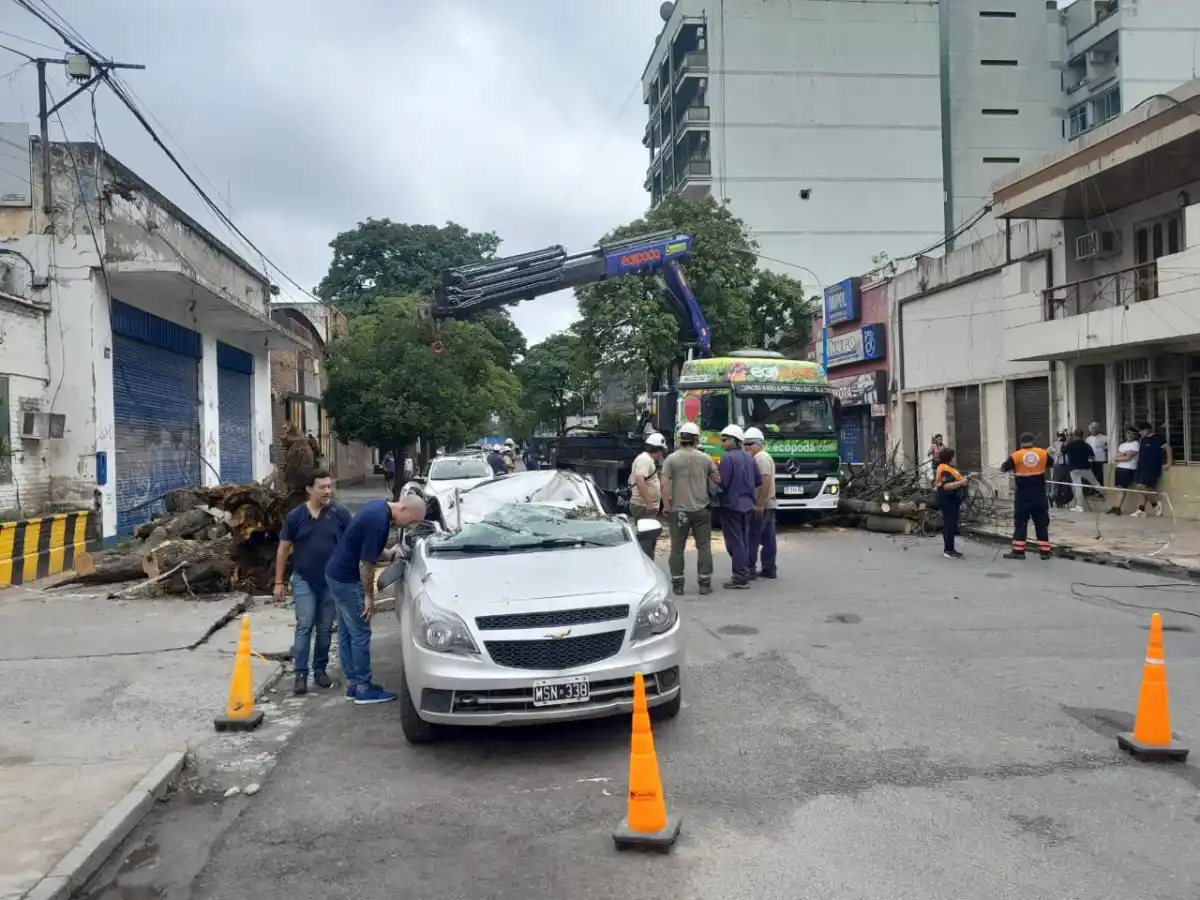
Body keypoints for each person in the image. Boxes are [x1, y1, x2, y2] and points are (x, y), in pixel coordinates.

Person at [325, 495, 427, 704]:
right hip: (347, 579)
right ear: (404, 509)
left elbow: (365, 545)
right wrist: (368, 596)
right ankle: (364, 688)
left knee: (347, 631)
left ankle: (353, 685)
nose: (411, 525)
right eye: (413, 520)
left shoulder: (378, 507)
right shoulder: (379, 523)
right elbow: (365, 564)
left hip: (335, 573)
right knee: (361, 632)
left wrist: (387, 553)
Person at [273, 469, 352, 695]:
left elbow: (354, 540)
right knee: (304, 625)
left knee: (325, 629)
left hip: (331, 581)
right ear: (309, 489)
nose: (327, 491)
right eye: (322, 487)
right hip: (303, 579)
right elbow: (283, 548)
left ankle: (319, 670)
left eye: (329, 486)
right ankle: (300, 674)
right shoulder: (296, 517)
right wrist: (279, 582)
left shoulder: (339, 513)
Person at [661, 422, 717, 595]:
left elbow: (664, 484)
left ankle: (678, 584)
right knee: (704, 547)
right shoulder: (705, 458)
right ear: (696, 439)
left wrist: (667, 506)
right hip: (701, 510)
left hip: (679, 512)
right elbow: (717, 479)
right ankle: (704, 583)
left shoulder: (671, 459)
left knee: (677, 548)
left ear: (681, 438)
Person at [717, 424, 761, 590]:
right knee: (742, 539)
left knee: (735, 542)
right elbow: (758, 480)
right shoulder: (749, 457)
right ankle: (745, 571)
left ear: (734, 440)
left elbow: (723, 484)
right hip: (748, 505)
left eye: (724, 440)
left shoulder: (727, 458)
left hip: (731, 505)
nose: (722, 443)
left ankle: (740, 576)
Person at [1000, 432, 1052, 560]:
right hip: (1039, 494)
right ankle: (1045, 551)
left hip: (1023, 494)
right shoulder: (1042, 453)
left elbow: (1004, 468)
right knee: (1041, 522)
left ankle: (1019, 551)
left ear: (1021, 442)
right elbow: (1051, 463)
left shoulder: (1016, 455)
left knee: (1021, 522)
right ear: (1033, 441)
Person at [743, 427, 777, 579]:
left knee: (753, 536)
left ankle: (749, 569)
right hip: (769, 503)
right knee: (769, 538)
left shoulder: (760, 458)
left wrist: (759, 503)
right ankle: (769, 568)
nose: (747, 447)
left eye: (749, 444)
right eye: (745, 444)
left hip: (762, 504)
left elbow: (766, 481)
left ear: (758, 443)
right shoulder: (764, 456)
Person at [1132, 421, 1171, 517]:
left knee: (1141, 486)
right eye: (1139, 431)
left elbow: (1168, 448)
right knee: (1143, 489)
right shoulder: (1143, 440)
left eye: (1142, 430)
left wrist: (1169, 463)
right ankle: (1141, 510)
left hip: (1153, 468)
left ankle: (1156, 504)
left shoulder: (1158, 438)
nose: (1140, 433)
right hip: (1142, 468)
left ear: (1148, 430)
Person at [934, 448, 968, 559]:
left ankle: (950, 548)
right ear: (950, 457)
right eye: (953, 456)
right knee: (949, 524)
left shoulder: (947, 467)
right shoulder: (945, 469)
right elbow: (946, 486)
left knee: (951, 523)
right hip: (947, 499)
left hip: (952, 499)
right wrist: (961, 482)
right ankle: (948, 550)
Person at [629, 432, 667, 522]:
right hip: (643, 506)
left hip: (643, 505)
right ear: (659, 450)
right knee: (647, 534)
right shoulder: (645, 460)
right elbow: (639, 481)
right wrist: (649, 503)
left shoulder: (645, 459)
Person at [1063, 428, 1102, 512]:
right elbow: (1092, 457)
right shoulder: (1086, 445)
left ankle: (1079, 506)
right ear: (1082, 435)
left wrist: (1067, 441)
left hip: (1073, 468)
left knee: (1078, 487)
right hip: (1085, 467)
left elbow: (1063, 451)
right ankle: (1105, 493)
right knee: (1095, 482)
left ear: (1074, 435)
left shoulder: (1071, 445)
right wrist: (1088, 463)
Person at [1106, 426, 1141, 515]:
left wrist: (1123, 455)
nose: (1130, 435)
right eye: (1128, 433)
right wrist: (1123, 455)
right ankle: (1116, 506)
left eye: (1132, 434)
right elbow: (1116, 458)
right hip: (1119, 468)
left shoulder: (1135, 444)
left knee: (1122, 489)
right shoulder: (1122, 445)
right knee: (1119, 488)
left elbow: (1128, 458)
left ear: (1135, 435)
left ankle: (1118, 507)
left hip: (1128, 469)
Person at [1085, 422, 1108, 495]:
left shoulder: (1105, 437)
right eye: (1092, 428)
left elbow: (1109, 446)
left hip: (1100, 458)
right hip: (1091, 458)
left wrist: (1106, 449)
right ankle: (1093, 490)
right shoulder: (1088, 439)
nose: (1093, 430)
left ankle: (1099, 491)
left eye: (1095, 428)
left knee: (1100, 474)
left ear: (1098, 429)